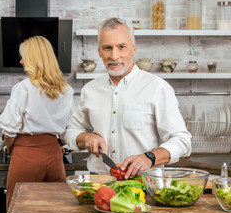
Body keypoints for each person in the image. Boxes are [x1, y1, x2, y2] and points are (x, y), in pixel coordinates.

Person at [65, 18, 192, 179]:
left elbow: (182, 140)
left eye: (121, 47)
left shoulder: (157, 88)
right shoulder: (90, 90)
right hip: (99, 182)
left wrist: (149, 157)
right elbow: (71, 132)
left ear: (133, 48)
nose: (114, 56)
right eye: (107, 48)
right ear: (99, 51)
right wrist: (86, 137)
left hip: (143, 183)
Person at [0, 36, 74, 209]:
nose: (21, 60)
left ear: (34, 59)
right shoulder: (66, 90)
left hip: (26, 155)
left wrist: (13, 149)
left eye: (24, 56)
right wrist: (57, 145)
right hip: (55, 157)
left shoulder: (23, 88)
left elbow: (9, 132)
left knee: (19, 208)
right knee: (55, 209)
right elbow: (68, 130)